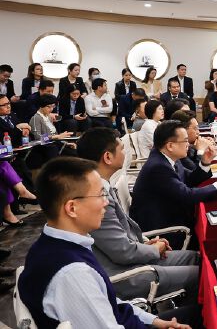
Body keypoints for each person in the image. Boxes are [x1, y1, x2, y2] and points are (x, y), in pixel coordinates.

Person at [17, 156, 191, 328]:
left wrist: (154, 321)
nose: (106, 202)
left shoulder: (51, 245)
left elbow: (108, 302)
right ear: (72, 208)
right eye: (101, 195)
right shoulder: (73, 274)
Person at [77, 128, 200, 301]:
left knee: (197, 258)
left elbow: (120, 239)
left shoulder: (103, 187)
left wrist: (146, 244)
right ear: (108, 157)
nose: (125, 153)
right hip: (126, 274)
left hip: (133, 257)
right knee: (202, 275)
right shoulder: (97, 198)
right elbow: (123, 252)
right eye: (122, 148)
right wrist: (153, 249)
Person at [130, 121, 217, 243]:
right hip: (163, 231)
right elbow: (187, 195)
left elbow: (188, 179)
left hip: (172, 214)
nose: (188, 145)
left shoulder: (167, 157)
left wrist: (205, 162)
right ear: (170, 146)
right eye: (185, 141)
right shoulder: (158, 167)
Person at [0, 94, 34, 190]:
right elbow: (3, 139)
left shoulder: (12, 115)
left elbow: (22, 131)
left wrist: (25, 133)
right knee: (21, 167)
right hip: (7, 153)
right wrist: (18, 128)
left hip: (20, 149)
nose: (8, 106)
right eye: (4, 105)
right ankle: (29, 192)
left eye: (8, 103)